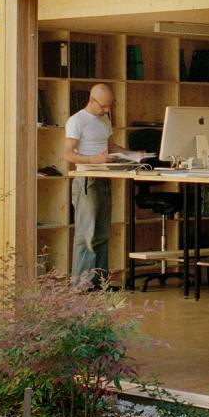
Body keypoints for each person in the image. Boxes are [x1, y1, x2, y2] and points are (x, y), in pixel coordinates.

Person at [65, 84, 120, 281]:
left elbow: (112, 147)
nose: (107, 110)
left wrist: (132, 155)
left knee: (102, 232)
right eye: (103, 106)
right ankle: (82, 284)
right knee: (86, 233)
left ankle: (100, 282)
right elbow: (68, 154)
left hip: (105, 177)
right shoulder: (77, 121)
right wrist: (93, 160)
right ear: (91, 100)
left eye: (109, 106)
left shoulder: (104, 119)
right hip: (86, 180)